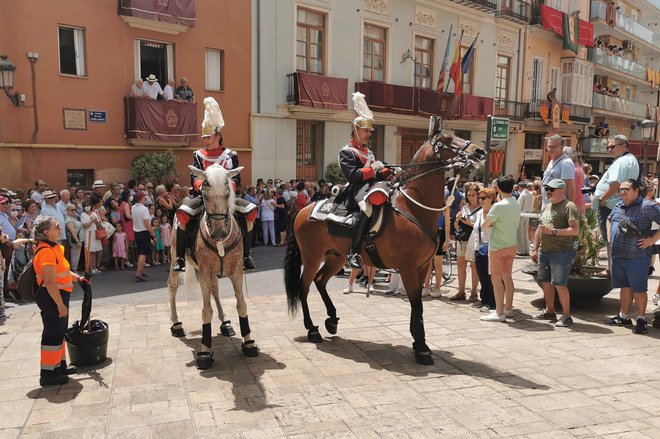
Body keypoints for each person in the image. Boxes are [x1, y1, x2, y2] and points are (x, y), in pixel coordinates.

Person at [172, 97, 256, 272]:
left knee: (250, 212)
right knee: (181, 214)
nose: (205, 140)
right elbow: (194, 176)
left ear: (218, 135)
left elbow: (236, 179)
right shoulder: (198, 155)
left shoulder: (230, 155)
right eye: (203, 137)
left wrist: (224, 190)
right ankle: (180, 257)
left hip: (226, 197)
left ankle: (246, 255)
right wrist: (202, 186)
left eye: (208, 137)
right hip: (203, 196)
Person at [32, 215, 89, 386]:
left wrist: (78, 279)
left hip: (57, 295)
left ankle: (59, 367)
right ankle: (49, 374)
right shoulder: (47, 252)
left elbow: (63, 271)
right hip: (52, 297)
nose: (59, 227)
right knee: (52, 334)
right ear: (46, 232)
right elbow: (49, 282)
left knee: (58, 333)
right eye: (55, 226)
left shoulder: (54, 248)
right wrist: (60, 304)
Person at [340, 92, 392, 269]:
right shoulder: (346, 152)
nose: (369, 134)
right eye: (366, 130)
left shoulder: (369, 153)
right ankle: (353, 252)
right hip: (357, 189)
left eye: (370, 131)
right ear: (356, 130)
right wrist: (373, 169)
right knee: (366, 207)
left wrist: (387, 172)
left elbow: (376, 175)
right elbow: (353, 176)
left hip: (372, 185)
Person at [605, 179, 660, 334]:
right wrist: (610, 234)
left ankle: (641, 319)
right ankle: (624, 316)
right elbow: (609, 219)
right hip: (618, 256)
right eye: (621, 189)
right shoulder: (618, 205)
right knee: (625, 287)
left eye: (626, 189)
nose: (622, 192)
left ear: (636, 191)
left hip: (638, 257)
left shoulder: (647, 206)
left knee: (639, 289)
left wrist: (652, 240)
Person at [531, 179, 580, 327]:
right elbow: (540, 229)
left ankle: (566, 316)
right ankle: (549, 311)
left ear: (561, 190)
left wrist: (553, 231)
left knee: (559, 284)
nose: (548, 191)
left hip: (561, 252)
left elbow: (575, 230)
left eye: (551, 189)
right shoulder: (547, 206)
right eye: (547, 189)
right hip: (544, 251)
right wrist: (535, 248)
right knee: (545, 282)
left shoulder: (569, 206)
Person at [592, 135, 640, 274]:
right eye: (608, 147)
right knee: (617, 239)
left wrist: (601, 199)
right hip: (619, 205)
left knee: (610, 239)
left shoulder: (621, 162)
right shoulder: (631, 160)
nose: (609, 149)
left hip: (611, 206)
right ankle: (614, 269)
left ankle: (611, 270)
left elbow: (615, 185)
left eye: (612, 146)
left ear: (624, 146)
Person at [480, 177, 521, 322]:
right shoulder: (516, 203)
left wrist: (488, 212)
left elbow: (485, 225)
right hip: (511, 245)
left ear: (498, 188)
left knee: (496, 280)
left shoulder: (498, 206)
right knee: (507, 277)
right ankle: (508, 309)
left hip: (498, 246)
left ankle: (499, 313)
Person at [451, 183, 481, 301]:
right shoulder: (465, 208)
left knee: (474, 267)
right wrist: (458, 221)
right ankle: (461, 291)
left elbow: (482, 226)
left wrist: (469, 223)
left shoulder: (482, 209)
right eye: (469, 195)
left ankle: (474, 293)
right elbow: (457, 226)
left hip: (474, 240)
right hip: (462, 240)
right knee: (461, 266)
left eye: (473, 195)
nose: (471, 197)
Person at [471, 188, 497, 313]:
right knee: (482, 275)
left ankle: (492, 302)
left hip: (491, 248)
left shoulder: (495, 212)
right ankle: (484, 300)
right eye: (479, 198)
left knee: (491, 276)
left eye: (483, 198)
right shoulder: (479, 212)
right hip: (478, 248)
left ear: (491, 199)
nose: (480, 200)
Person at [541, 135, 575, 207]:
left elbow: (570, 188)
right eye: (548, 147)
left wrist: (569, 209)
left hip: (559, 209)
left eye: (553, 147)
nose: (550, 149)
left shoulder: (566, 162)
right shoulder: (552, 161)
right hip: (547, 206)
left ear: (562, 147)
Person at [132, 192, 155, 282]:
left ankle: (141, 271)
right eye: (144, 197)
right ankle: (138, 273)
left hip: (136, 232)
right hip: (143, 232)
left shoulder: (133, 207)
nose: (145, 199)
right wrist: (153, 234)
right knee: (143, 253)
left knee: (140, 252)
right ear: (141, 198)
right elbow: (146, 223)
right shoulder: (144, 209)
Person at [563, 146, 585, 214]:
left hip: (573, 207)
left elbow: (571, 189)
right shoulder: (578, 169)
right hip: (579, 204)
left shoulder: (572, 169)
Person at [517, 182, 535, 256]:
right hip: (528, 214)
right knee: (525, 233)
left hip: (521, 214)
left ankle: (521, 250)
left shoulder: (523, 194)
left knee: (520, 233)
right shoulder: (531, 195)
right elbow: (533, 206)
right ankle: (526, 250)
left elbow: (518, 205)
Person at [65, 203, 83, 272]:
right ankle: (74, 270)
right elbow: (72, 231)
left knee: (77, 254)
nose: (74, 211)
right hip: (74, 240)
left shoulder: (74, 217)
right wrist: (77, 241)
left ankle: (75, 269)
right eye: (72, 210)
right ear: (67, 211)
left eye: (75, 209)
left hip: (78, 238)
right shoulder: (68, 219)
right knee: (75, 254)